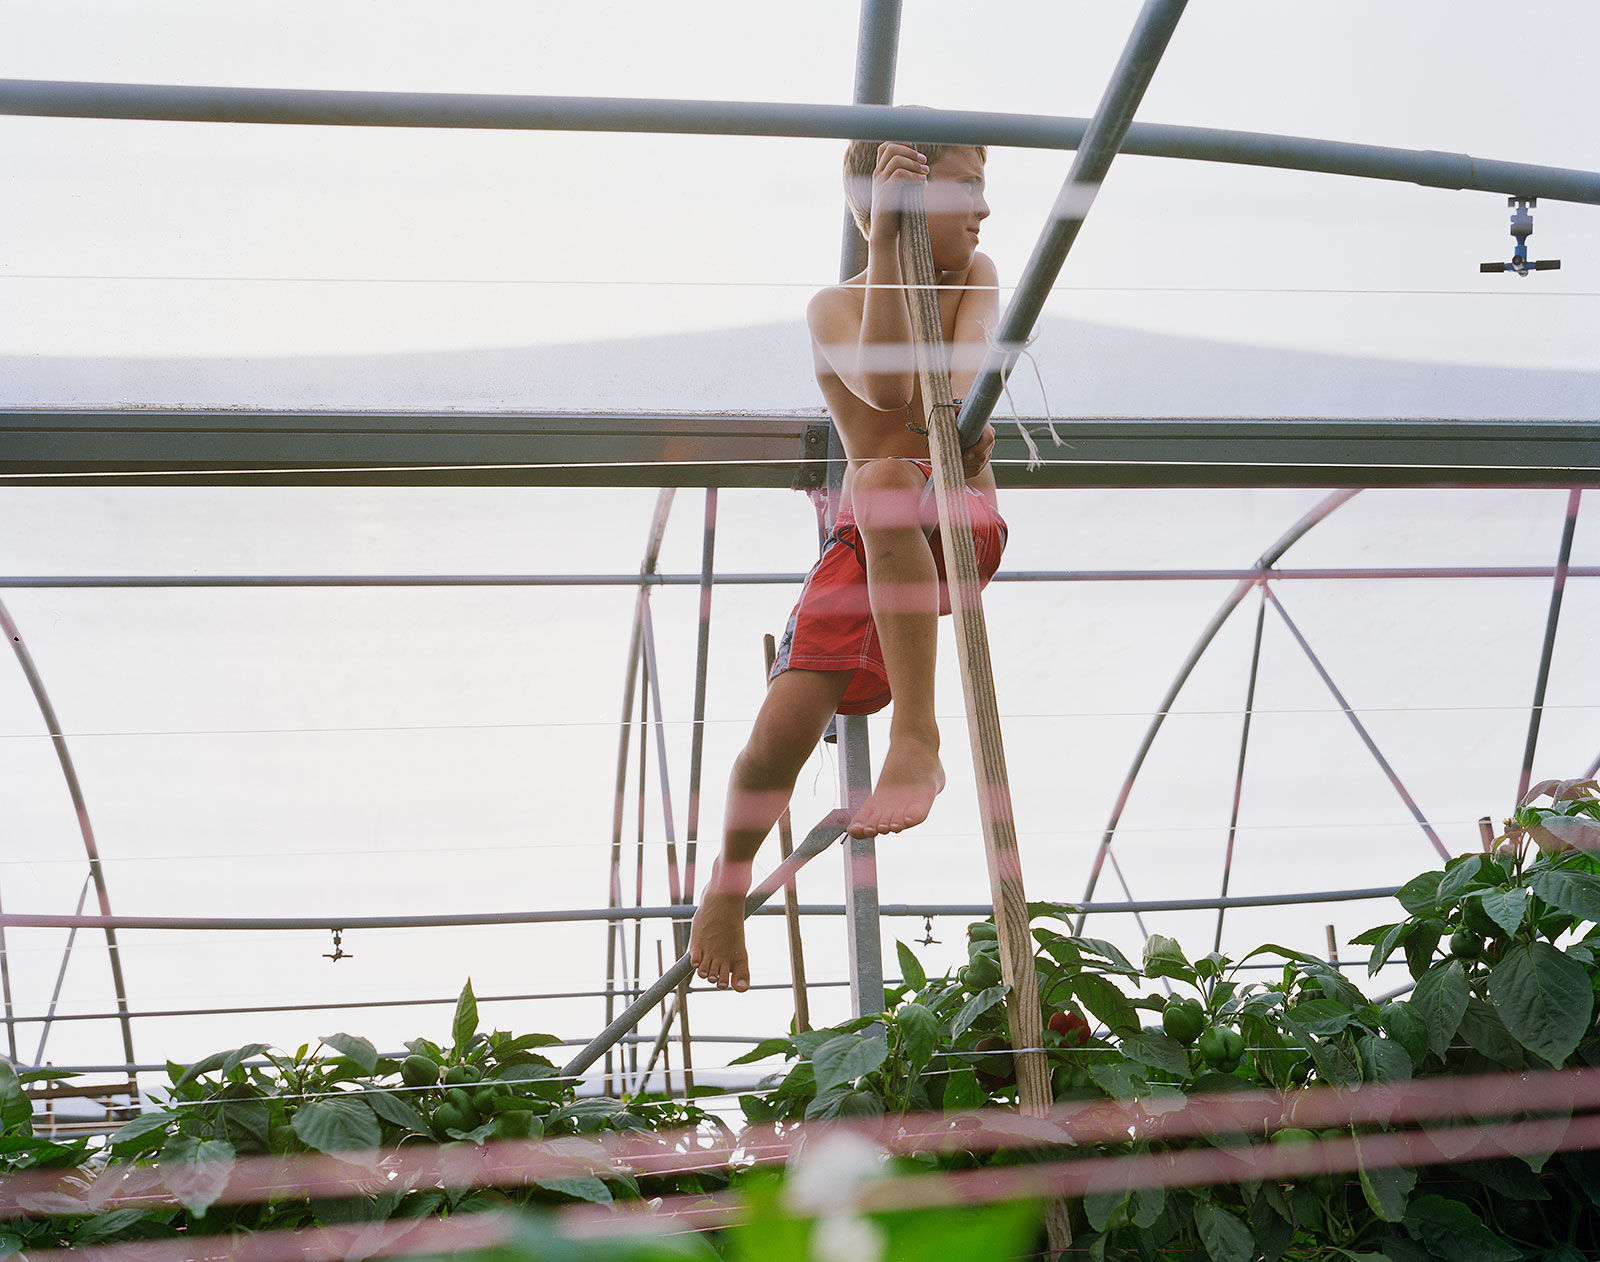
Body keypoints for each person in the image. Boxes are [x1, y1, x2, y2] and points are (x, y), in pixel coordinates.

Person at [688, 136, 1005, 992]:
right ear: (894, 206)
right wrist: (882, 246)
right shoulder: (833, 307)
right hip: (863, 539)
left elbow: (939, 400)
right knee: (777, 735)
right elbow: (888, 389)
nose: (984, 209)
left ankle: (919, 737)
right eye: (967, 187)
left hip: (952, 514)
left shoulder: (976, 281)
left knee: (883, 474)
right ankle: (724, 884)